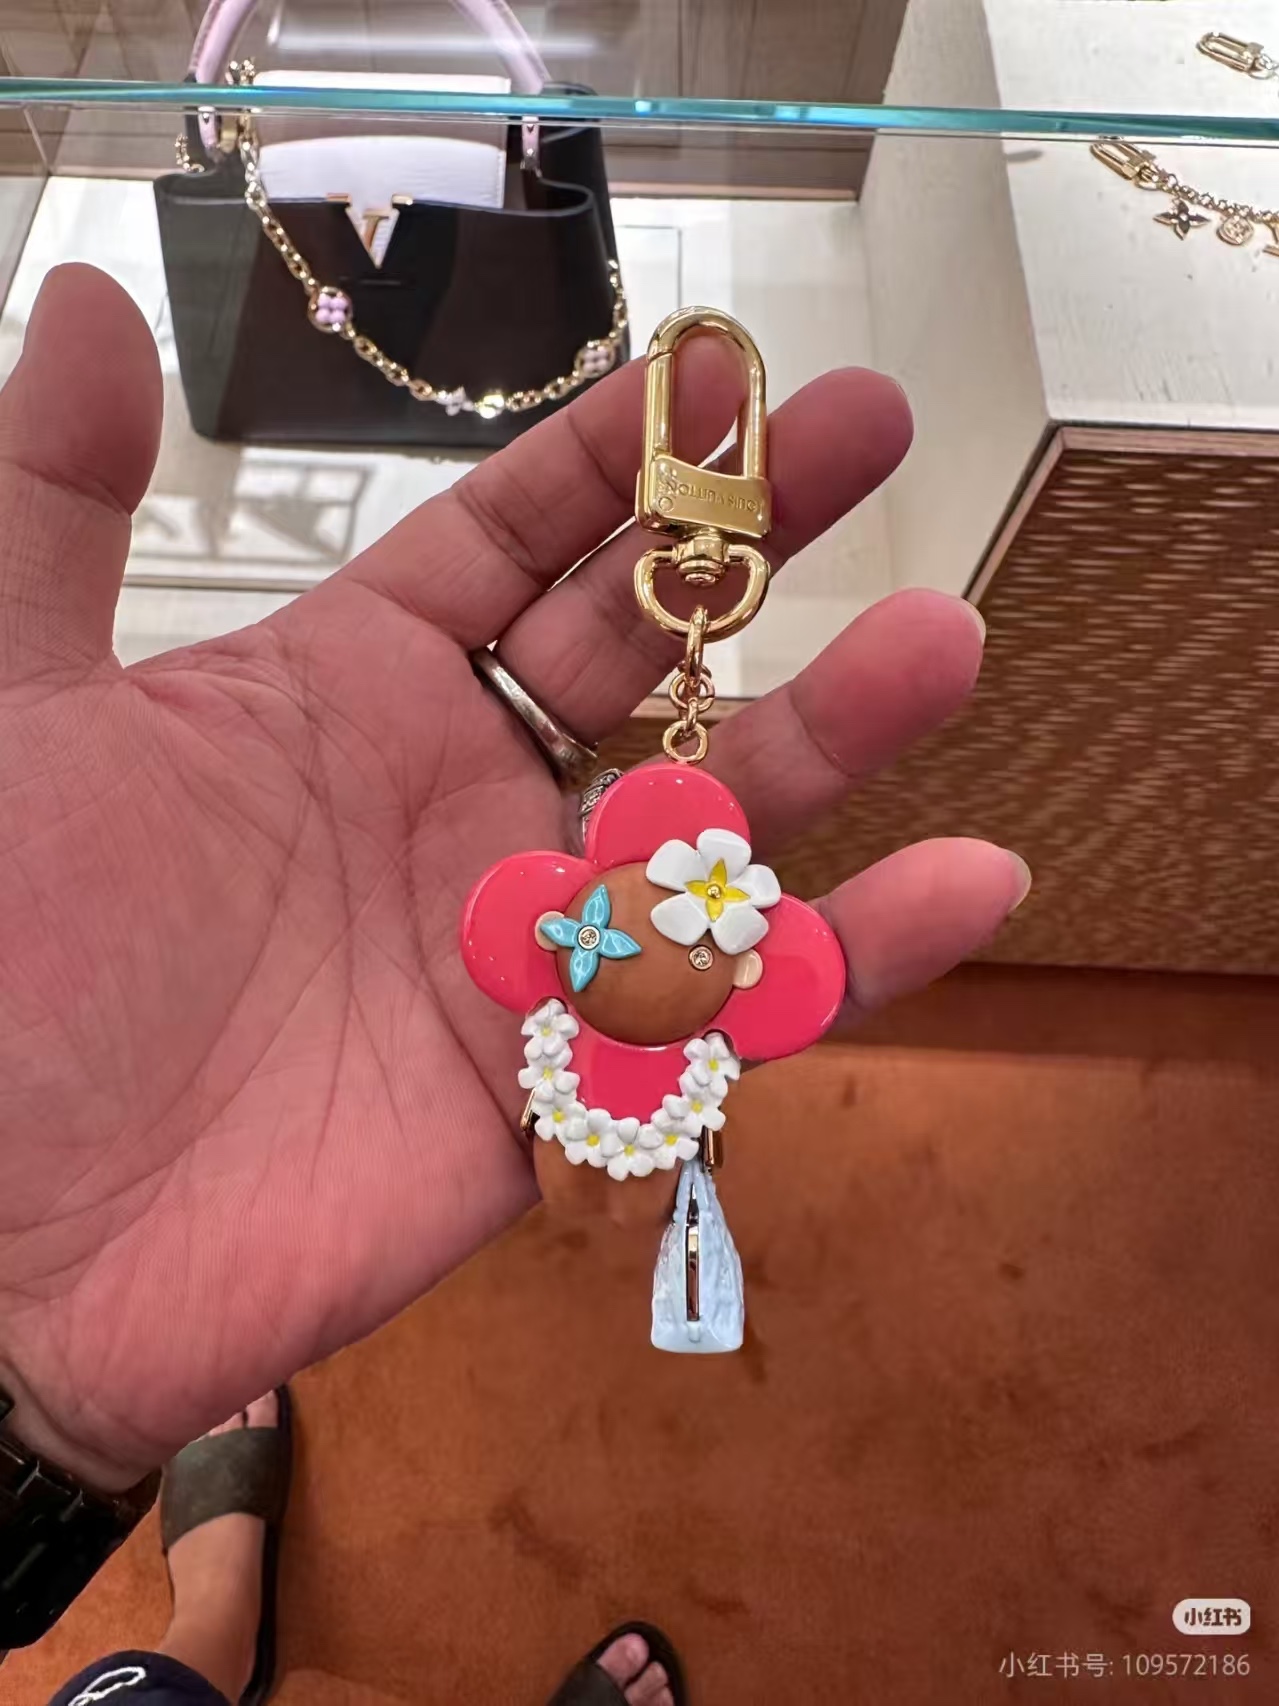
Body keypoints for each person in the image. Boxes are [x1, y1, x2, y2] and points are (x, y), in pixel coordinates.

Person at [0, 265, 1030, 1702]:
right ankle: (214, 1620)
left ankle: (211, 1622)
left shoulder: (653, 911)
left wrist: (32, 1413)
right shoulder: (578, 914)